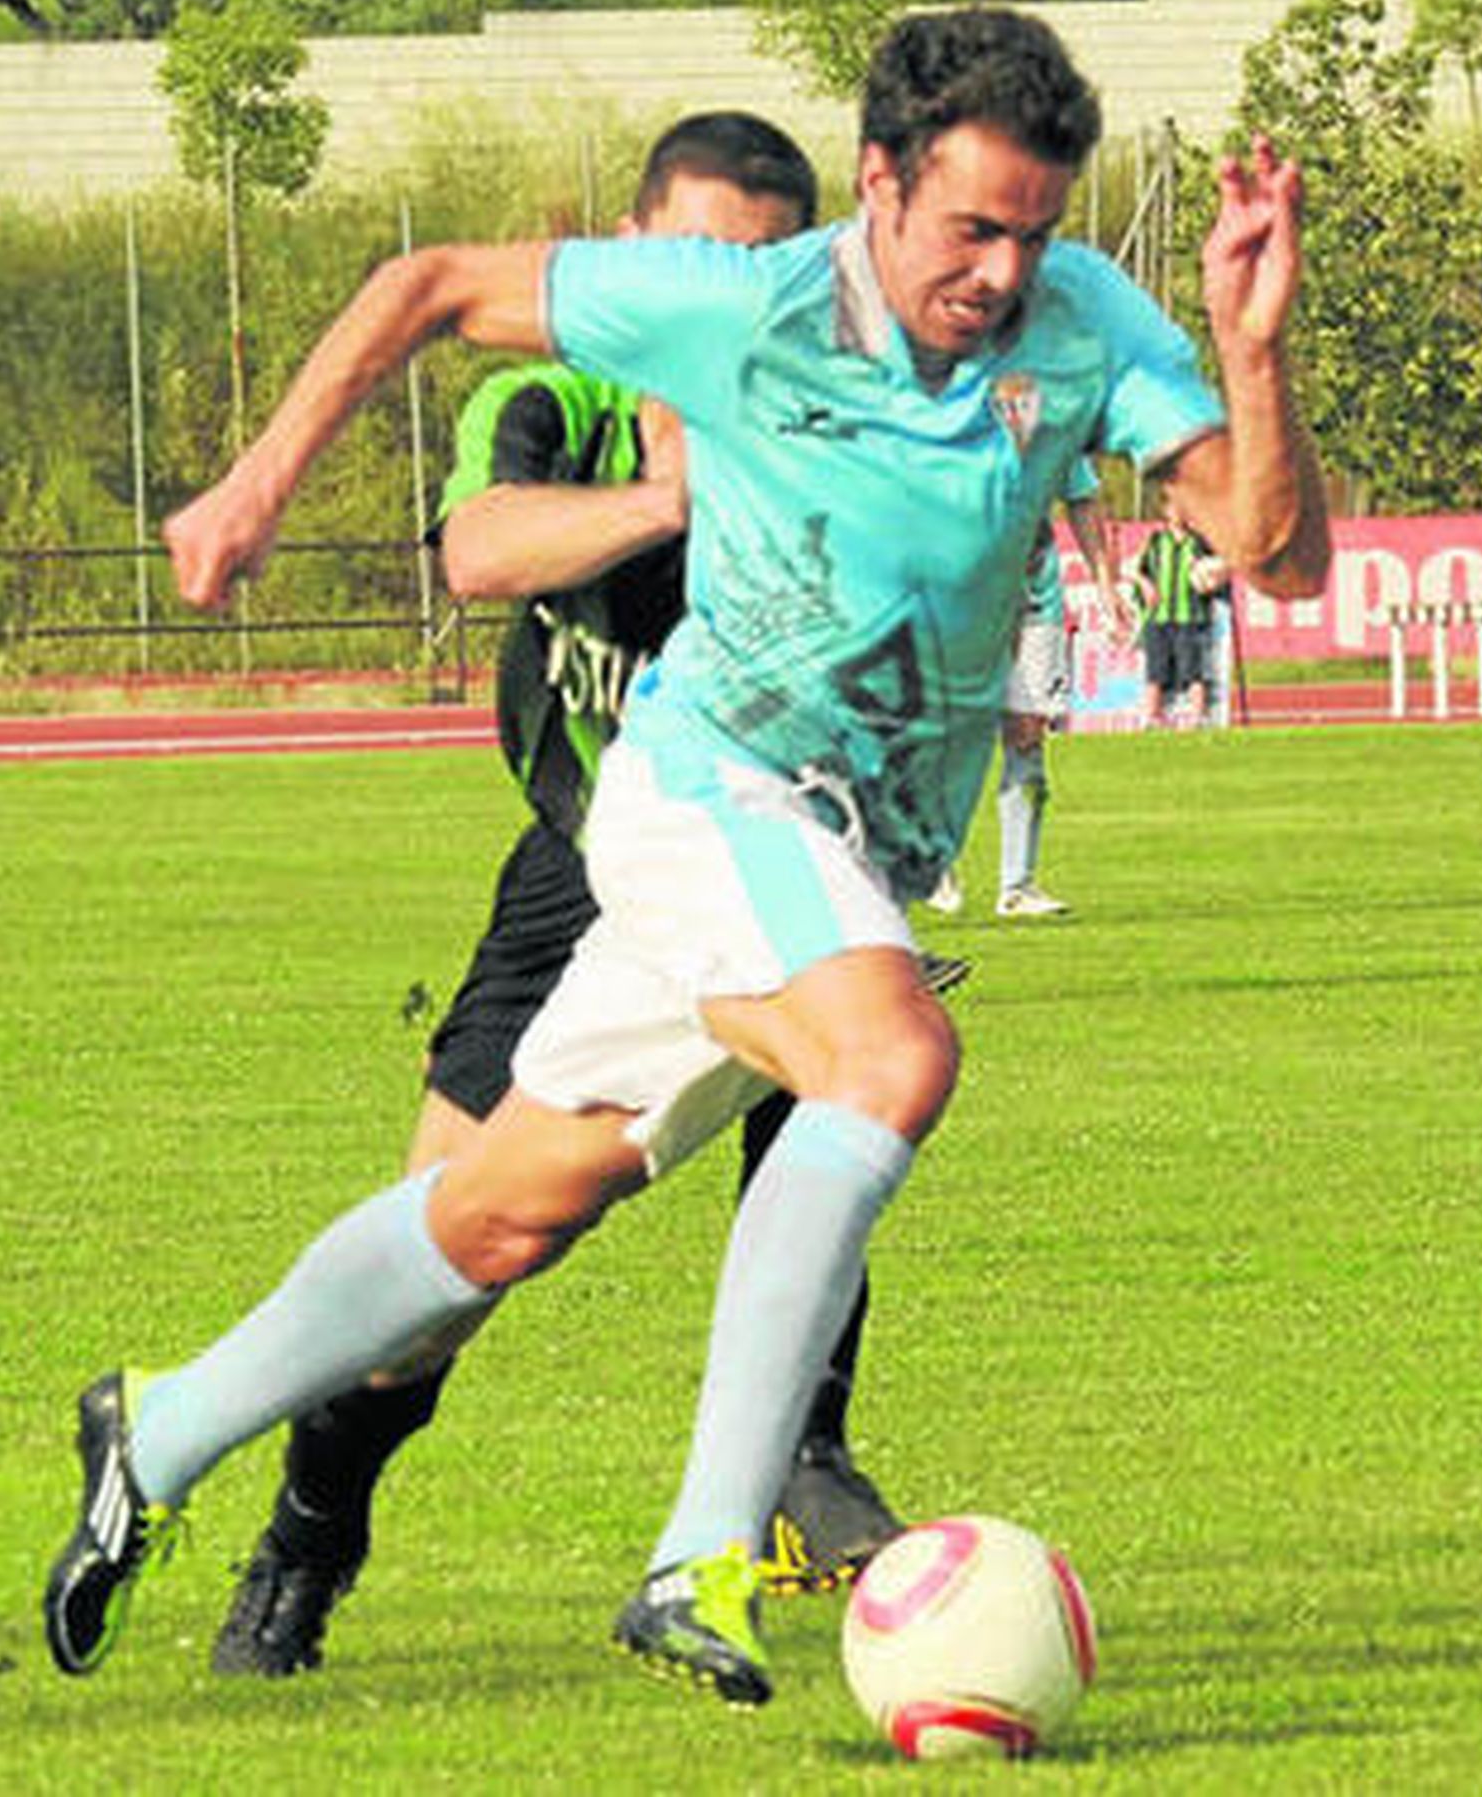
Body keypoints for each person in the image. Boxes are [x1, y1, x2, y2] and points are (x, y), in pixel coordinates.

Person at [45, 7, 1330, 1710]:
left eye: (1033, 228)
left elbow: (1278, 554)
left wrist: (1251, 351)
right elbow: (424, 283)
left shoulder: (1085, 324)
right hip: (713, 785)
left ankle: (163, 1421)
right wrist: (254, 484)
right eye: (971, 226)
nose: (1004, 267)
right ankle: (704, 1547)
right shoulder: (746, 305)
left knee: (509, 1209)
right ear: (877, 183)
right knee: (892, 1054)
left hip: (843, 842)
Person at [209, 113, 944, 1682]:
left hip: (787, 841)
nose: (720, 296)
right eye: (690, 259)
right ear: (626, 260)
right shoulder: (555, 399)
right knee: (433, 1279)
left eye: (758, 267)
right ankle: (309, 1530)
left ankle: (799, 1464)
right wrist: (672, 502)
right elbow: (480, 549)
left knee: (838, 1082)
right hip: (579, 872)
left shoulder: (840, 422)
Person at [995, 467, 1132, 919]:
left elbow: (1082, 499)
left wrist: (1105, 586)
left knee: (1028, 736)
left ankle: (1017, 884)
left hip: (1036, 604)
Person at [1133, 495, 1226, 727]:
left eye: (1183, 507)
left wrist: (1209, 580)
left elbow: (1219, 571)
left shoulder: (1199, 543)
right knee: (1155, 671)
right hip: (1158, 615)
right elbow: (1136, 571)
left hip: (1189, 616)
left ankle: (1198, 717)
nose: (1178, 512)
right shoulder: (1155, 541)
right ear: (1165, 511)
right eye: (1173, 507)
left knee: (1192, 670)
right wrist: (1145, 584)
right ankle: (1152, 717)